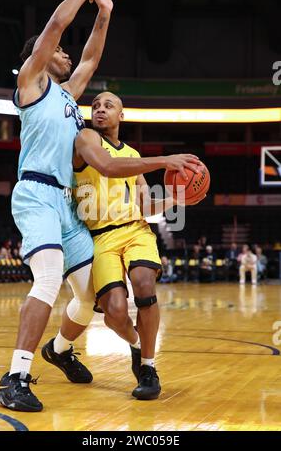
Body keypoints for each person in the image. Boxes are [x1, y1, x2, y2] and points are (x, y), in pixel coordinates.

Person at [0, 0, 113, 413]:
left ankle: (59, 350)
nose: (67, 55)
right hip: (36, 193)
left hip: (65, 202)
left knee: (90, 294)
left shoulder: (67, 96)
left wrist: (105, 13)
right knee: (46, 279)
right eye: (60, 52)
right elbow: (56, 25)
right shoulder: (30, 82)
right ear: (40, 56)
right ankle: (15, 377)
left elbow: (92, 57)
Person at [42, 91, 202, 400]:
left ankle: (148, 367)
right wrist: (164, 160)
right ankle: (138, 345)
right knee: (114, 311)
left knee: (144, 283)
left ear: (121, 116)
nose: (100, 109)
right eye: (97, 105)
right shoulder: (86, 140)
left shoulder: (131, 154)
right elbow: (108, 167)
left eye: (108, 105)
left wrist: (176, 199)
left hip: (135, 231)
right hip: (100, 237)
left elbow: (144, 204)